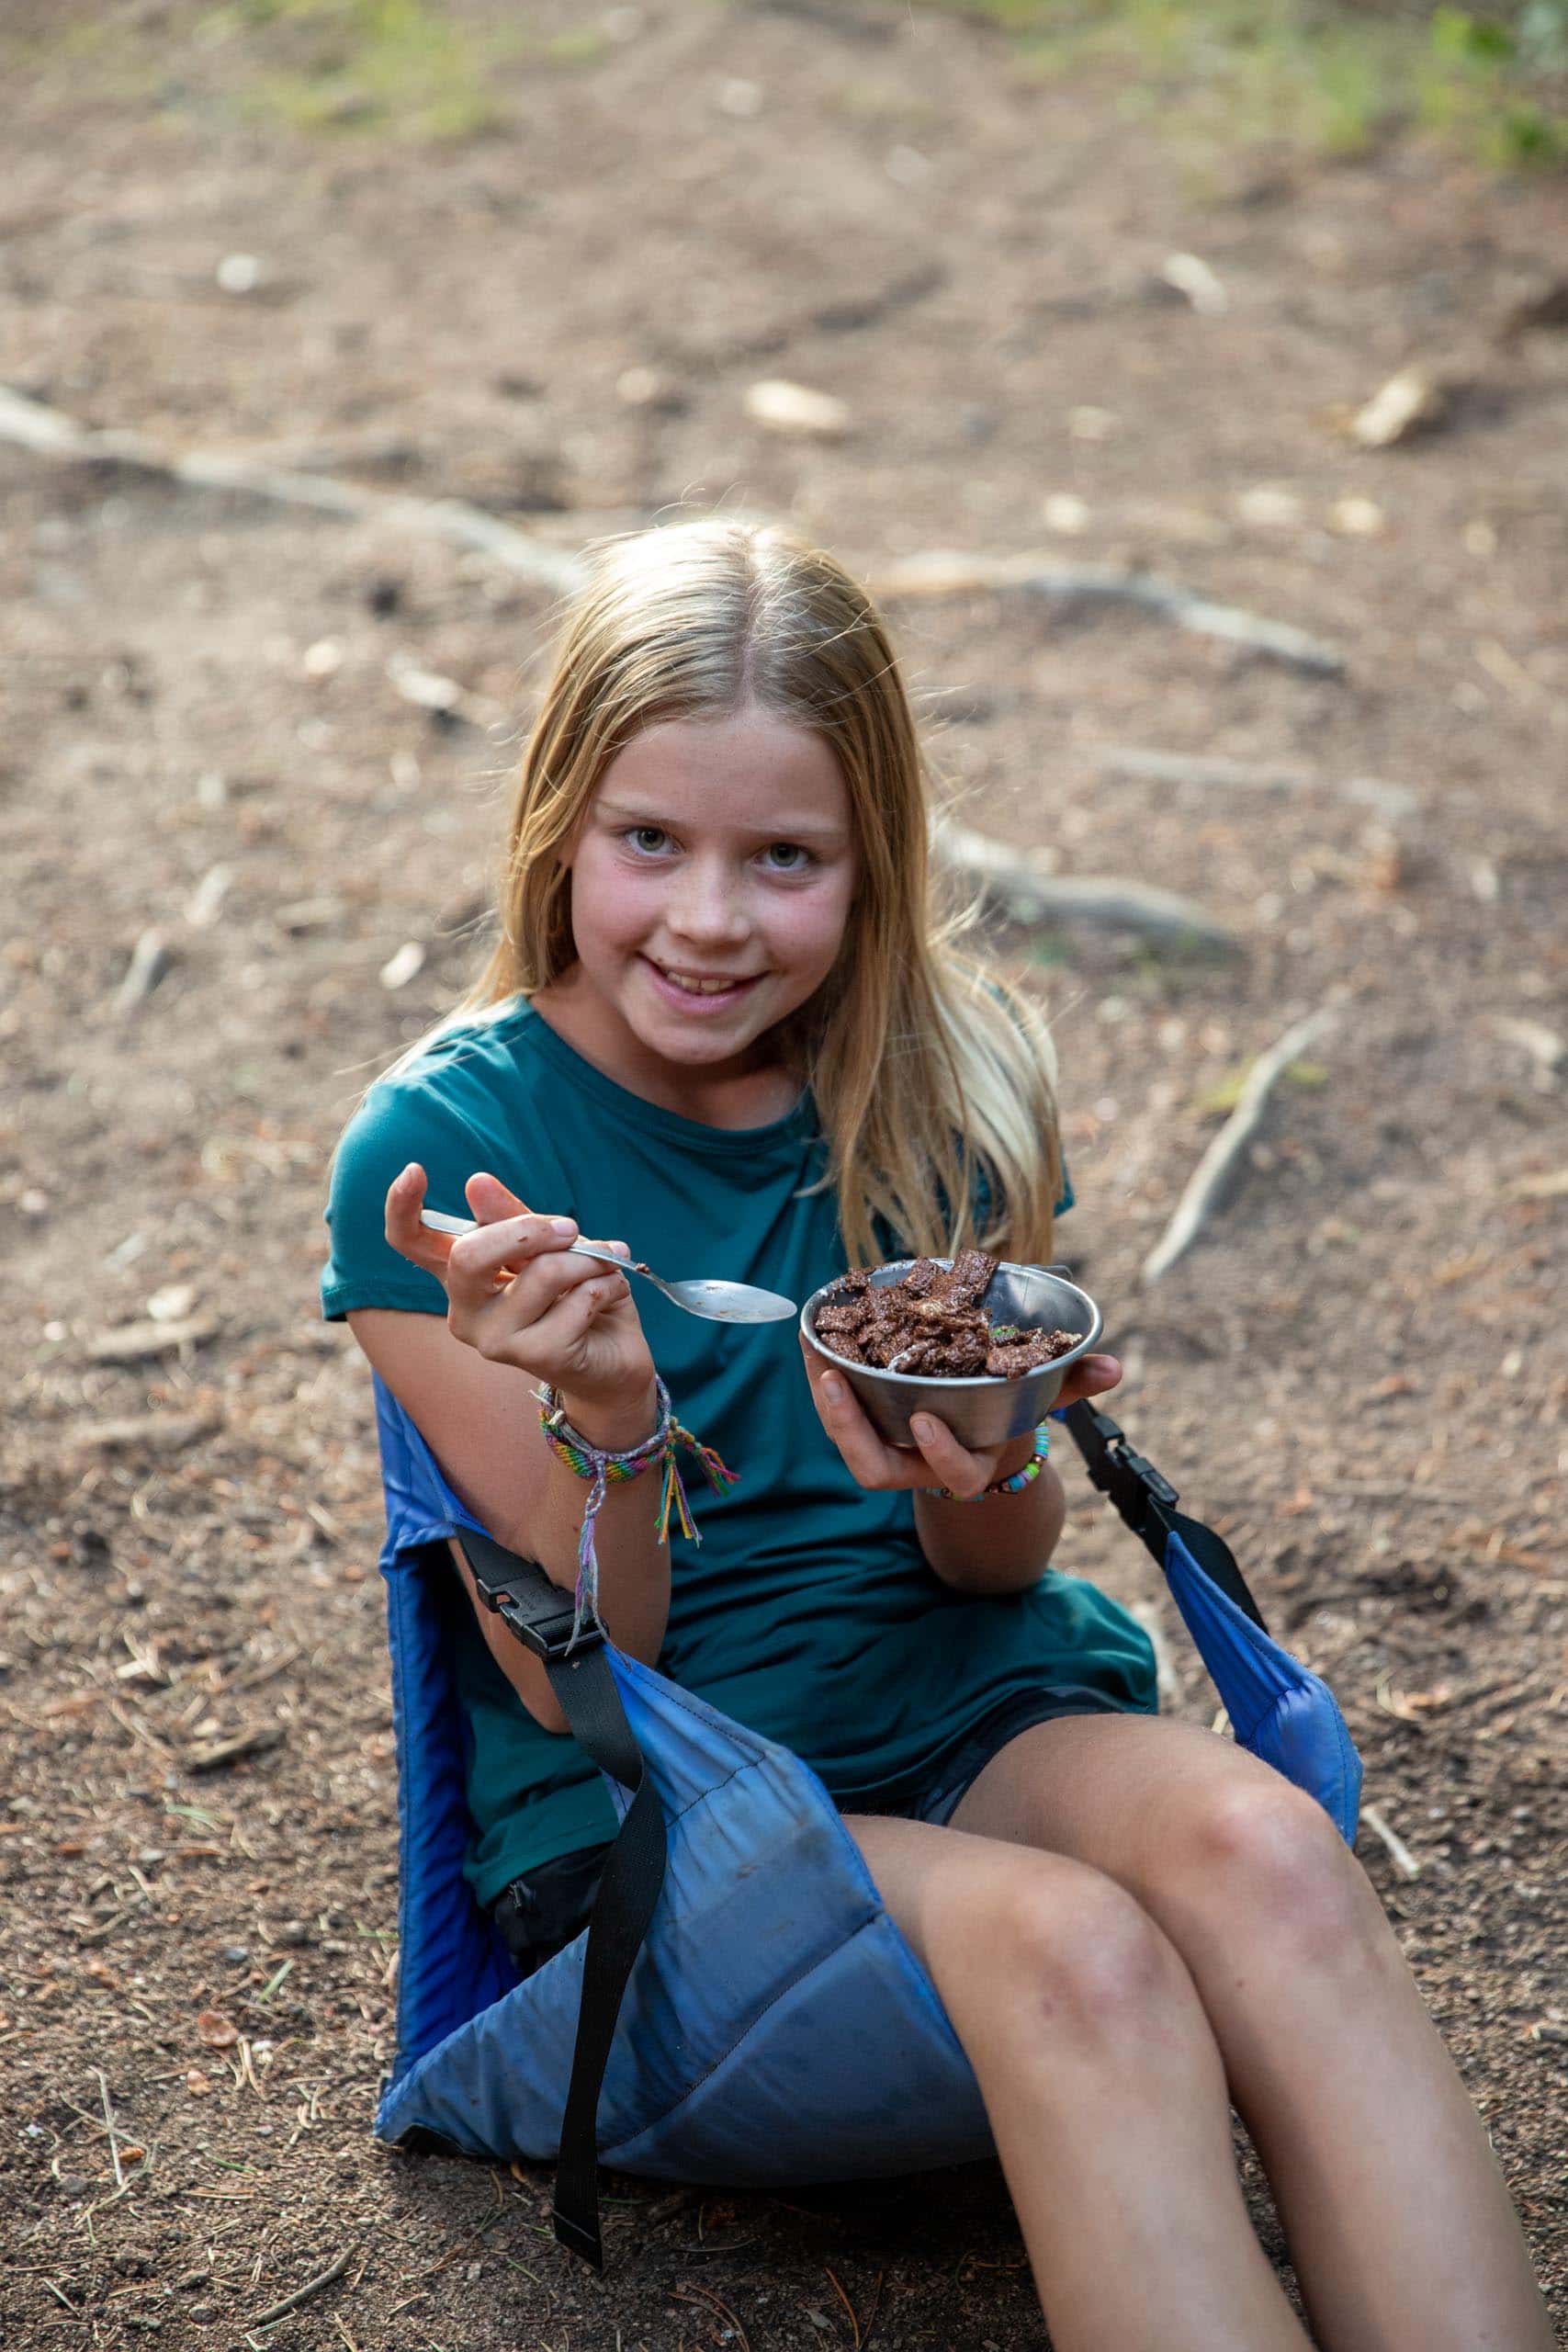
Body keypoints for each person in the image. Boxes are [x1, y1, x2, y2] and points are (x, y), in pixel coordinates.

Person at [321, 519, 1551, 2352]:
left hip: (964, 1708)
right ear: (562, 819)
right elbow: (596, 1668)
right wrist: (610, 1406)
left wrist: (991, 1454)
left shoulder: (949, 1083)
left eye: (785, 856)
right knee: (1080, 1951)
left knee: (1273, 1845)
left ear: (871, 858)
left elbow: (990, 1559)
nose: (710, 915)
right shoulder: (452, 1166)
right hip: (671, 1808)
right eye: (650, 840)